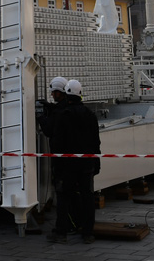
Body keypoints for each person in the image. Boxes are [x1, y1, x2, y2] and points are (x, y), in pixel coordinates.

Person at [44, 78, 101, 243]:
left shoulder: (63, 116)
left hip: (67, 166)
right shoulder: (90, 115)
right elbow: (96, 142)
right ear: (80, 94)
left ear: (66, 95)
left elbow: (57, 142)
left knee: (63, 198)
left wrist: (57, 164)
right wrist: (96, 163)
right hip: (86, 165)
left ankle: (61, 232)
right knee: (87, 198)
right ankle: (87, 233)